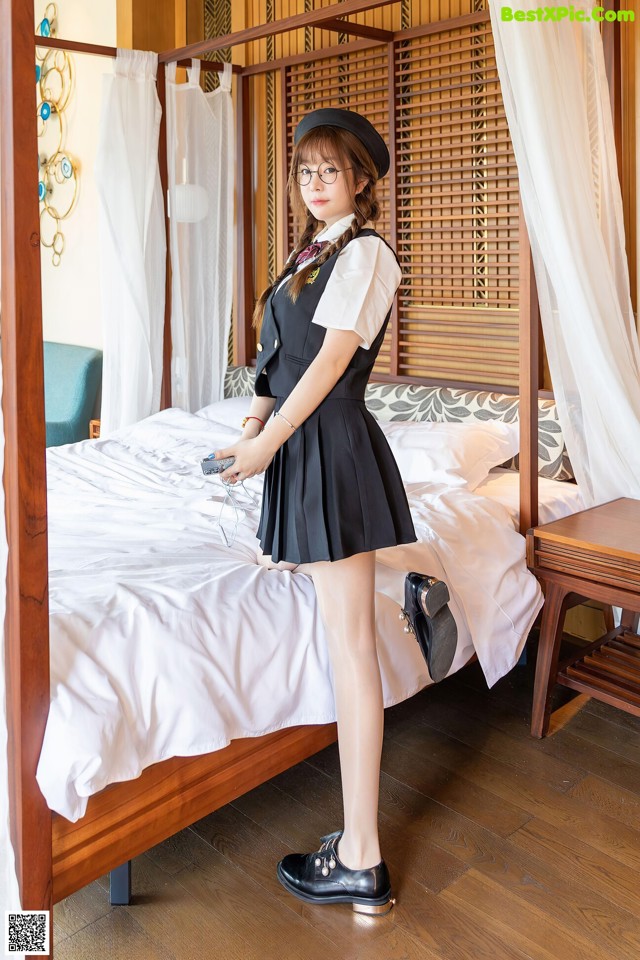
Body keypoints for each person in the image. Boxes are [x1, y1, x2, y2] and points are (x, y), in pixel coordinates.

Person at [212, 108, 418, 916]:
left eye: (329, 171)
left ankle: (362, 854)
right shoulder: (306, 258)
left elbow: (334, 360)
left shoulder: (365, 255)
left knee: (352, 646)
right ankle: (358, 847)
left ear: (362, 181)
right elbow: (280, 361)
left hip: (331, 453)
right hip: (298, 447)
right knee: (345, 643)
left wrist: (275, 440)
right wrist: (253, 424)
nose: (314, 183)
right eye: (304, 172)